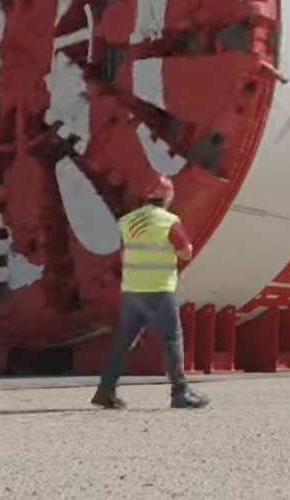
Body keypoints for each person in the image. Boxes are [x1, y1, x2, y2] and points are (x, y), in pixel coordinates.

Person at [91, 175, 211, 410]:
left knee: (122, 342)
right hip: (159, 290)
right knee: (171, 339)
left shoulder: (127, 221)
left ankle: (105, 390)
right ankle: (180, 392)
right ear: (167, 198)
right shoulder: (168, 221)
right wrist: (187, 248)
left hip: (132, 291)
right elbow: (185, 252)